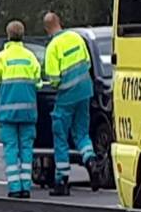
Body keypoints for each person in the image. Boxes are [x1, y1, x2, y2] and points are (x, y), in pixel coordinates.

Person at [43, 11, 101, 195]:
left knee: (60, 134)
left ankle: (62, 180)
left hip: (67, 96)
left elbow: (53, 80)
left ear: (47, 29)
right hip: (85, 91)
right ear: (60, 22)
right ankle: (91, 161)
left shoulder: (53, 47)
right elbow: (87, 63)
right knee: (82, 133)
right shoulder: (76, 38)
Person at [0, 21, 41, 198]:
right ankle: (26, 186)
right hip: (28, 113)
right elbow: (38, 83)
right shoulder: (31, 57)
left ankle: (14, 187)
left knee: (11, 150)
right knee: (26, 149)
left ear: (8, 35)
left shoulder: (1, 58)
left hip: (7, 114)